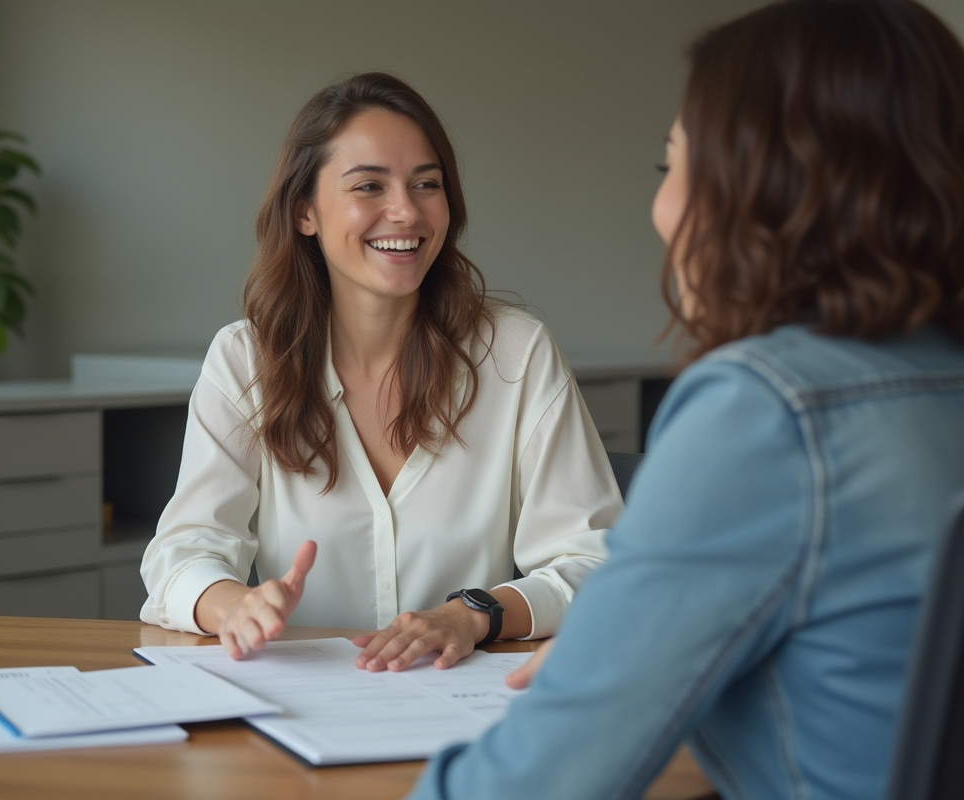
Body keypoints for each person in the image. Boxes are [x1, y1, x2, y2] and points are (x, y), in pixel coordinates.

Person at [408, 0, 964, 797]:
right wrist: (627, 651)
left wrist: (605, 676)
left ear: (761, 187)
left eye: (672, 166)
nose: (662, 211)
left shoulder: (764, 412)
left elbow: (544, 781)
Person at [139, 72, 622, 671]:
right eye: (369, 185)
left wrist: (473, 614)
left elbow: (596, 563)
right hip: (305, 700)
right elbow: (183, 552)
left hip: (464, 701)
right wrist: (235, 605)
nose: (406, 211)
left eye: (427, 184)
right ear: (305, 211)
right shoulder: (246, 360)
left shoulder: (517, 354)